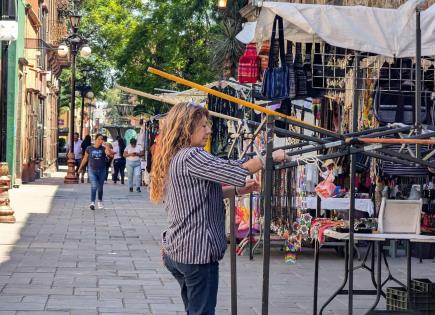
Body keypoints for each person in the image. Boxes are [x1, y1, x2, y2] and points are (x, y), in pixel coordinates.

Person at [150, 103, 287, 315]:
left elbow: (194, 197)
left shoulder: (177, 155)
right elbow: (232, 168)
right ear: (187, 127)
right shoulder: (191, 155)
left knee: (194, 310)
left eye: (208, 125)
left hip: (179, 249)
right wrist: (267, 158)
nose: (209, 131)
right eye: (203, 126)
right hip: (196, 252)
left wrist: (237, 191)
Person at [78, 134, 114, 210]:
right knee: (94, 186)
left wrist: (106, 146)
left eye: (102, 139)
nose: (101, 141)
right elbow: (85, 159)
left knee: (100, 187)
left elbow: (108, 154)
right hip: (92, 170)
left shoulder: (104, 148)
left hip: (102, 170)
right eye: (100, 139)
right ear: (96, 139)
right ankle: (92, 202)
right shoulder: (89, 148)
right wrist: (80, 168)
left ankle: (100, 201)